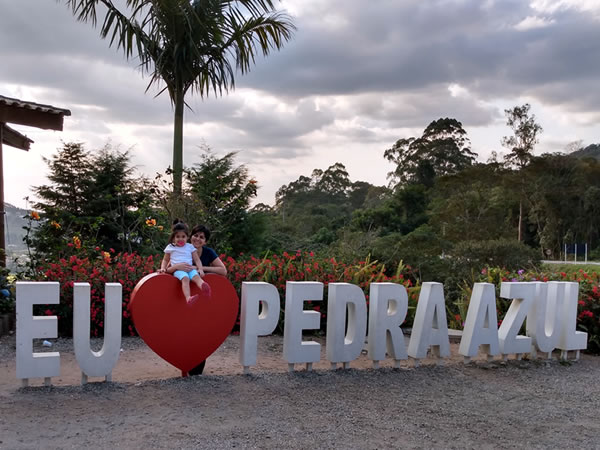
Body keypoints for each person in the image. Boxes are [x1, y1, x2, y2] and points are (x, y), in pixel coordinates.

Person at [165, 224, 228, 375]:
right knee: (184, 333)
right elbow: (167, 269)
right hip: (184, 299)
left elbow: (223, 271)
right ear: (189, 236)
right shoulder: (179, 250)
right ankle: (183, 367)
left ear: (205, 241)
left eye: (202, 237)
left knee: (199, 333)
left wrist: (200, 268)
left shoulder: (207, 253)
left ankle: (195, 368)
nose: (197, 239)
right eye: (195, 235)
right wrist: (178, 266)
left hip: (202, 301)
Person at [159, 220, 210, 304]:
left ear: (187, 238)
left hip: (190, 269)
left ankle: (204, 288)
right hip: (178, 271)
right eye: (178, 236)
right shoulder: (171, 247)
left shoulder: (190, 247)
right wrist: (163, 268)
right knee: (185, 279)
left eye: (183, 236)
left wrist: (200, 269)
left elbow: (197, 260)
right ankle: (188, 298)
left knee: (196, 277)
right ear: (173, 238)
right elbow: (165, 260)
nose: (180, 239)